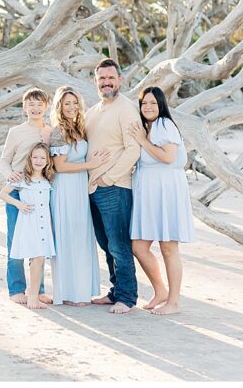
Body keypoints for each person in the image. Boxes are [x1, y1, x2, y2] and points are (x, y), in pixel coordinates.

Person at [128, 86, 195, 315]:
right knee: (138, 246)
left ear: (161, 105)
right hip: (147, 193)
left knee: (168, 247)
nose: (148, 107)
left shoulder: (164, 124)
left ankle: (174, 302)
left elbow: (168, 157)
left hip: (167, 191)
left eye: (153, 103)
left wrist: (142, 141)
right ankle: (160, 290)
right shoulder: (146, 127)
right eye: (144, 103)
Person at [84, 58, 141, 314]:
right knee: (106, 245)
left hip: (116, 187)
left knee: (119, 245)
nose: (106, 82)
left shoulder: (127, 108)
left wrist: (109, 178)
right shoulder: (93, 111)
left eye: (110, 78)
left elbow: (133, 150)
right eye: (102, 79)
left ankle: (127, 297)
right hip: (93, 189)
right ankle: (115, 291)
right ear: (95, 82)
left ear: (120, 80)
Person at [48, 86, 113, 306]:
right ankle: (68, 293)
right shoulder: (58, 131)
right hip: (65, 189)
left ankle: (82, 290)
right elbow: (60, 167)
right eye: (67, 103)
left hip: (80, 189)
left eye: (75, 103)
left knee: (81, 237)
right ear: (59, 106)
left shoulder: (79, 128)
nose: (72, 107)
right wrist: (90, 164)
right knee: (67, 237)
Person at [0, 88, 52, 305]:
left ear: (46, 107)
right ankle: (16, 288)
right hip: (18, 191)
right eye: (31, 104)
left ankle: (37, 290)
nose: (35, 108)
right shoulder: (16, 132)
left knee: (38, 241)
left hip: (40, 191)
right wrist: (8, 174)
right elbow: (4, 160)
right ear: (24, 107)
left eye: (39, 104)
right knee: (16, 241)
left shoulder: (49, 132)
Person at [0, 143, 56, 310]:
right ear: (30, 158)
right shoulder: (23, 177)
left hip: (44, 224)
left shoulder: (47, 179)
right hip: (29, 222)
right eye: (35, 157)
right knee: (36, 257)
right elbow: (2, 194)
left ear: (48, 161)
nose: (38, 160)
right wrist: (19, 204)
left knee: (39, 259)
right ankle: (32, 298)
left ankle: (34, 294)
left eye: (42, 158)